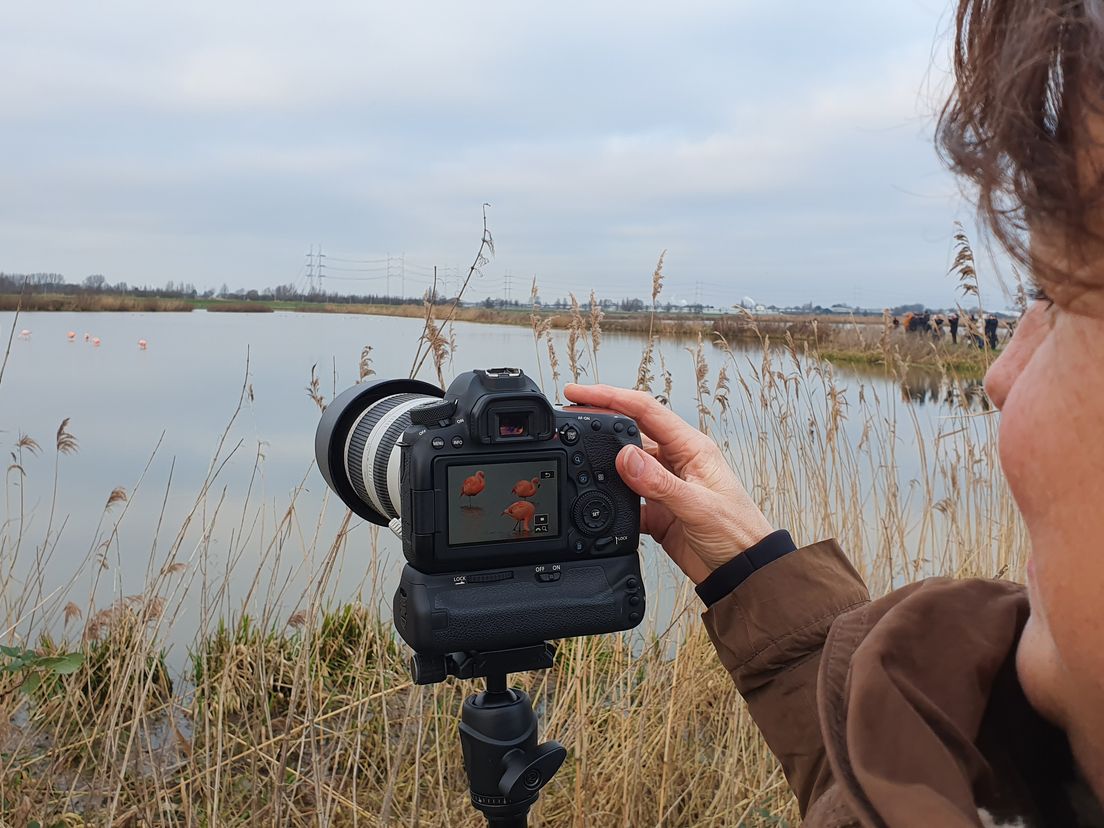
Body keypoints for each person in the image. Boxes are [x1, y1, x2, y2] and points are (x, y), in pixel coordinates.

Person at [566, 0, 1104, 822]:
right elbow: (889, 789)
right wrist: (747, 561)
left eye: (1060, 298)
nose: (999, 375)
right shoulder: (1027, 778)